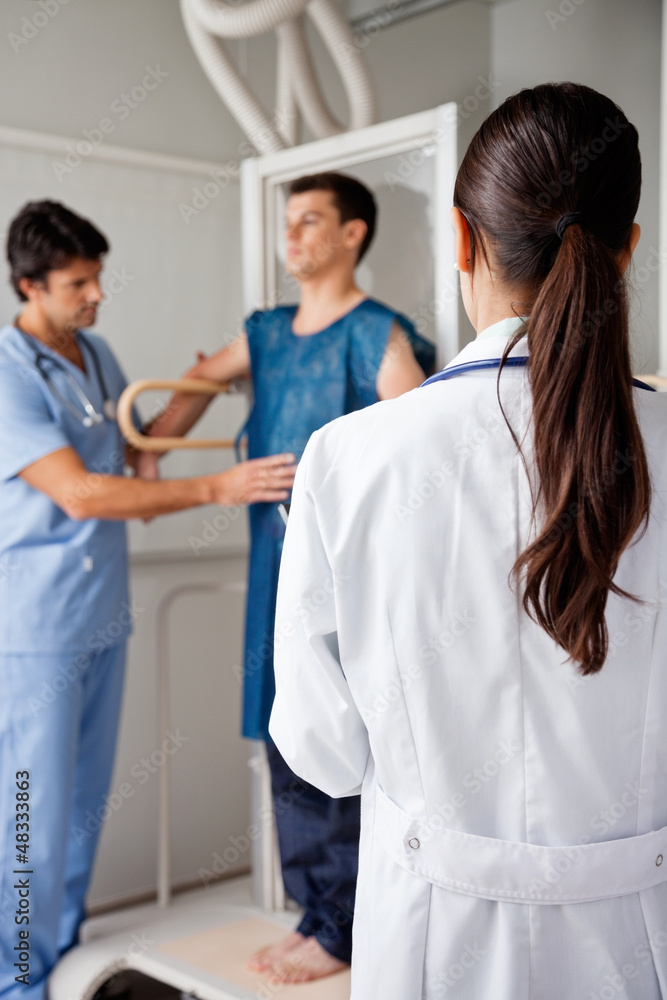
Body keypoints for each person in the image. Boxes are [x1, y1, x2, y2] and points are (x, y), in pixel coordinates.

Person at [269, 83, 667, 998]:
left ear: (460, 237)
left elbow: (321, 749)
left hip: (429, 937)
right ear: (627, 250)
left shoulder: (350, 457)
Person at [0, 200, 295, 1000]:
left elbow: (139, 450)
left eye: (97, 278)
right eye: (76, 284)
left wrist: (202, 381)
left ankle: (55, 957)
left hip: (100, 616)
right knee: (30, 811)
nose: (96, 295)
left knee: (81, 807)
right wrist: (221, 487)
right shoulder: (8, 370)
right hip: (34, 628)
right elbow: (84, 494)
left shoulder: (92, 353)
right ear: (28, 286)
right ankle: (15, 978)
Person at [147, 171, 435, 981]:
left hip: (351, 577)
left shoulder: (377, 333)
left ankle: (342, 926)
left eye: (310, 221)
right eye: (288, 223)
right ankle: (318, 912)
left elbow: (423, 442)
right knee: (285, 732)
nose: (292, 237)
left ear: (353, 235)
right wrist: (147, 452)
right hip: (273, 570)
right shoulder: (266, 333)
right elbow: (196, 383)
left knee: (343, 732)